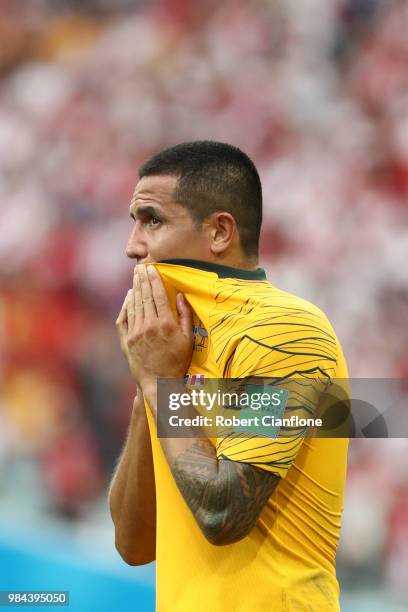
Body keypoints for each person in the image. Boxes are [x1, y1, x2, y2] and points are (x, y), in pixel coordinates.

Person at [109, 141, 349, 611]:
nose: (132, 246)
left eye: (152, 220)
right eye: (133, 222)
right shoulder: (176, 347)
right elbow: (133, 545)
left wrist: (161, 384)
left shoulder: (286, 334)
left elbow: (224, 511)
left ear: (219, 232)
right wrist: (150, 389)